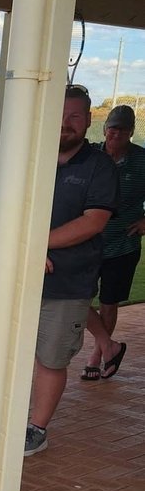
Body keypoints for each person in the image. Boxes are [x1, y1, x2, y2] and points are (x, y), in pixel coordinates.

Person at [0, 85, 119, 456]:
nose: (65, 124)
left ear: (88, 120)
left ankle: (35, 429)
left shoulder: (99, 166)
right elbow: (3, 210)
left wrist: (33, 247)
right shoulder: (30, 158)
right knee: (0, 351)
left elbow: (94, 221)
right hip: (13, 279)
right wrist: (23, 253)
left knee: (50, 358)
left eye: (74, 116)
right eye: (59, 116)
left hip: (66, 283)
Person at [81, 104, 145, 381]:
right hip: (86, 241)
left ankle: (97, 355)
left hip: (123, 244)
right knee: (77, 296)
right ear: (105, 128)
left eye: (123, 129)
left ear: (131, 132)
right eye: (112, 128)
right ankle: (110, 346)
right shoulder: (91, 155)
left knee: (109, 302)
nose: (116, 133)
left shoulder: (142, 160)